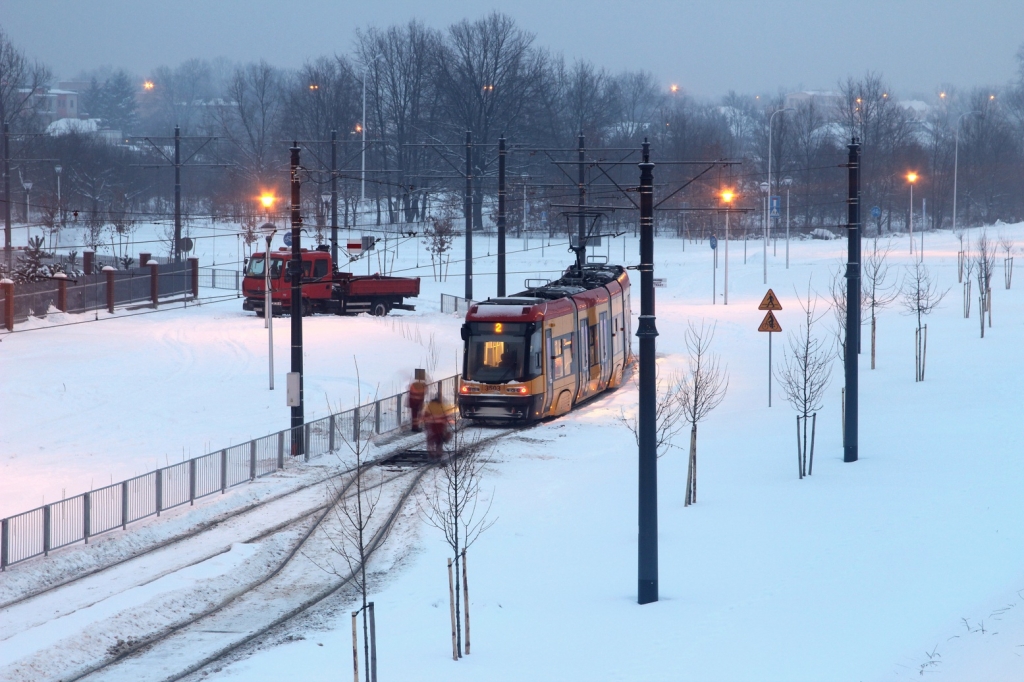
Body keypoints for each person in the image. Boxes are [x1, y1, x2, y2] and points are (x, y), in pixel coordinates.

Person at [423, 394, 450, 460]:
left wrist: (425, 425)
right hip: (440, 426)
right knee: (439, 440)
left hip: (431, 426)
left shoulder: (429, 406)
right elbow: (445, 417)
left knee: (430, 440)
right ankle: (438, 452)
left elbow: (425, 416)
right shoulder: (441, 406)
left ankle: (431, 452)